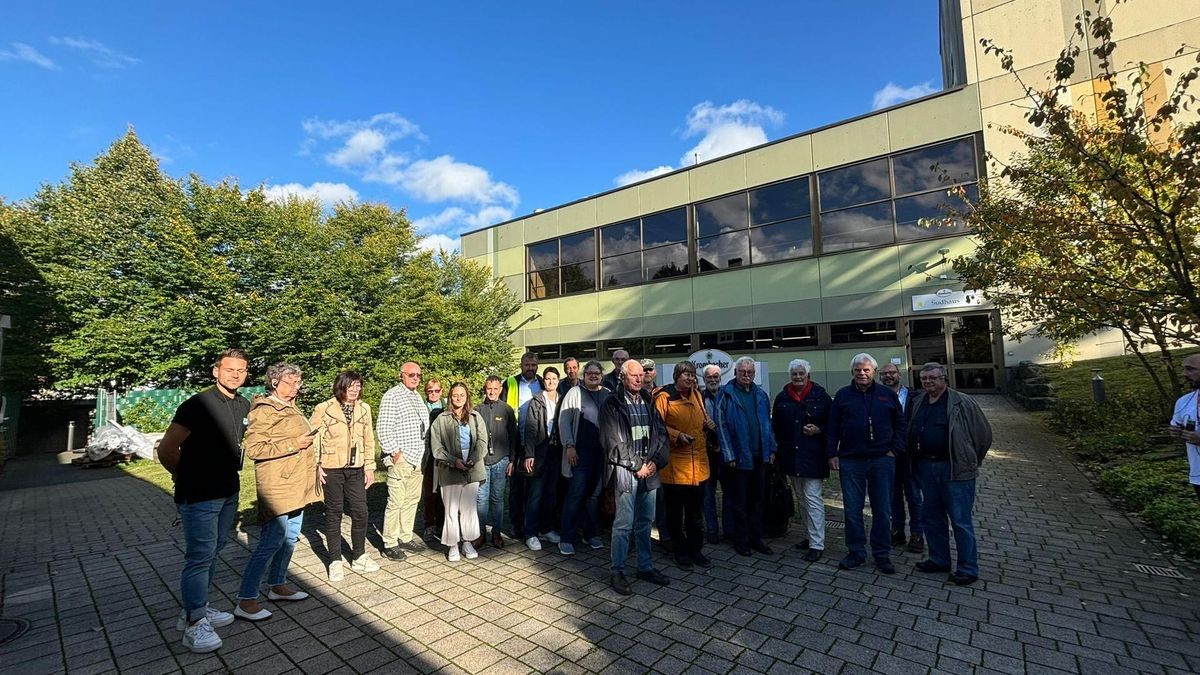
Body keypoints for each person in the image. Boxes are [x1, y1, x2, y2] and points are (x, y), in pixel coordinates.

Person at [157, 349, 250, 653]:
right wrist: (183, 477)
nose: (236, 375)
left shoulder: (242, 404)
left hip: (228, 490)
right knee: (199, 556)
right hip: (199, 495)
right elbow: (167, 449)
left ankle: (196, 608)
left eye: (242, 370)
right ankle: (195, 624)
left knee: (214, 551)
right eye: (230, 369)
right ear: (216, 371)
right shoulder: (197, 405)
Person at [235, 363, 318, 622]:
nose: (296, 387)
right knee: (271, 541)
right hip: (278, 486)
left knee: (290, 537)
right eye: (291, 382)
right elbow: (256, 449)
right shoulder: (264, 410)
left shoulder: (290, 406)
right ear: (274, 382)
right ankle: (246, 599)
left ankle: (277, 584)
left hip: (296, 482)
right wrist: (295, 443)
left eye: (298, 382)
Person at [908, 362, 993, 585]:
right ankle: (939, 559)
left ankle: (967, 568)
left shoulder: (962, 402)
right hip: (926, 467)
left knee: (960, 520)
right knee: (932, 517)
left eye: (933, 378)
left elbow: (983, 435)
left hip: (954, 469)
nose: (928, 382)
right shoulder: (919, 401)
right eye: (924, 379)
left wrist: (970, 459)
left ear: (944, 379)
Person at [826, 353, 906, 575]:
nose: (862, 373)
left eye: (866, 370)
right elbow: (832, 428)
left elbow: (901, 425)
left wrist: (895, 450)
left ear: (874, 372)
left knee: (882, 509)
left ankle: (882, 554)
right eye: (857, 370)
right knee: (852, 509)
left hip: (882, 460)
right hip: (851, 460)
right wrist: (832, 454)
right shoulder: (842, 396)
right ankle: (856, 552)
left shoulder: (886, 395)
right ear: (852, 372)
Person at [603, 360, 671, 595]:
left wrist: (655, 462)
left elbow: (661, 434)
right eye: (634, 376)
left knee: (645, 523)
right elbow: (613, 442)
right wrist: (637, 465)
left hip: (649, 472)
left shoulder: (649, 400)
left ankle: (645, 566)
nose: (639, 379)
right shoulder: (611, 403)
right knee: (623, 525)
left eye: (642, 375)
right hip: (626, 472)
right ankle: (617, 570)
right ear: (622, 376)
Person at [309, 371, 378, 583]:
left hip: (356, 468)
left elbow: (369, 439)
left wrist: (370, 467)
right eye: (351, 386)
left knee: (360, 511)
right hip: (331, 468)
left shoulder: (364, 409)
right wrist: (316, 465)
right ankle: (335, 560)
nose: (355, 390)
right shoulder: (324, 408)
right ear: (341, 386)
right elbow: (313, 438)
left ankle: (359, 555)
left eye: (358, 386)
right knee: (333, 513)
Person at [771, 359, 832, 563]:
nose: (798, 377)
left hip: (813, 456)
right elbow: (776, 428)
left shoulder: (821, 396)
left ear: (808, 375)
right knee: (801, 499)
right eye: (794, 374)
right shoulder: (782, 398)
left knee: (813, 499)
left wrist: (819, 430)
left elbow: (832, 424)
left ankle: (817, 543)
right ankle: (809, 536)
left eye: (801, 374)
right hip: (791, 456)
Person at [716, 357, 777, 557]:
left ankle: (756, 538)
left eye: (750, 372)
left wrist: (772, 449)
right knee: (740, 502)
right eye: (742, 371)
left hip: (760, 456)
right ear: (735, 373)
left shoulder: (761, 394)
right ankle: (741, 540)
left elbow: (768, 425)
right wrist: (729, 454)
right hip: (738, 457)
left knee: (758, 500)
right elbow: (721, 425)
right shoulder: (726, 394)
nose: (746, 375)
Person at [654, 361, 712, 570]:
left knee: (696, 514)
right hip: (676, 467)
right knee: (675, 514)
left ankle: (696, 550)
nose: (689, 378)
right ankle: (680, 551)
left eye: (692, 374)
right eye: (685, 374)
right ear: (676, 376)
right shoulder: (664, 397)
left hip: (699, 465)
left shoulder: (697, 394)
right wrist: (677, 436)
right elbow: (657, 426)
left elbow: (700, 419)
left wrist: (707, 424)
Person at [378, 361, 431, 560]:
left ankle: (405, 536)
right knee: (396, 501)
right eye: (411, 375)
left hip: (418, 458)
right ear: (401, 375)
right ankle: (390, 542)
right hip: (402, 458)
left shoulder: (416, 396)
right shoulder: (392, 396)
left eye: (418, 375)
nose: (416, 378)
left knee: (411, 500)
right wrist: (394, 453)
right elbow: (383, 428)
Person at [430, 382, 489, 562]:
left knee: (469, 509)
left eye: (462, 395)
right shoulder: (441, 419)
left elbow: (482, 441)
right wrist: (453, 461)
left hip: (472, 468)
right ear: (450, 397)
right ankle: (453, 544)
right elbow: (436, 447)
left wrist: (473, 458)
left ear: (467, 396)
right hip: (450, 471)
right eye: (455, 395)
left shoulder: (475, 416)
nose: (458, 398)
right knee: (451, 509)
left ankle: (467, 541)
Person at [557, 360, 610, 555]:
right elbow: (564, 421)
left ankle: (591, 534)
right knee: (576, 495)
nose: (593, 376)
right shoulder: (575, 393)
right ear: (584, 375)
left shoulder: (607, 395)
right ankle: (567, 537)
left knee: (594, 496)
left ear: (601, 376)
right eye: (590, 373)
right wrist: (569, 446)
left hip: (601, 454)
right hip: (579, 454)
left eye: (597, 373)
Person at [517, 367, 561, 550]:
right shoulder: (536, 401)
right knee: (535, 494)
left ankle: (546, 528)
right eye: (547, 379)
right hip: (539, 452)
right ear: (543, 381)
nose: (550, 382)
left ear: (559, 380)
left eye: (554, 378)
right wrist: (529, 454)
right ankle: (531, 533)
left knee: (551, 494)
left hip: (556, 452)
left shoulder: (562, 399)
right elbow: (530, 428)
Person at [881, 363, 922, 553]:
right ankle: (897, 531)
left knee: (914, 495)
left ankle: (917, 534)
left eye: (892, 373)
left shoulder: (916, 396)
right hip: (888, 454)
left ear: (899, 374)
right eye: (884, 374)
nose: (889, 376)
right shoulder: (878, 396)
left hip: (910, 455)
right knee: (893, 495)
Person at [502, 352, 543, 537]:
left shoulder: (543, 383)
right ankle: (515, 524)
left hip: (538, 442)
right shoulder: (510, 383)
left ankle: (534, 524)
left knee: (535, 488)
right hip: (517, 440)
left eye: (534, 365)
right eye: (527, 365)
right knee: (516, 487)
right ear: (521, 365)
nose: (530, 368)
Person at [476, 376, 518, 548]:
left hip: (501, 460)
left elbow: (514, 436)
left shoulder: (507, 410)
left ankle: (496, 533)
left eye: (495, 389)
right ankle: (480, 533)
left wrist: (512, 460)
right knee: (481, 499)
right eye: (489, 389)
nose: (492, 392)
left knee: (497, 499)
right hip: (482, 461)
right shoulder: (477, 409)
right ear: (485, 389)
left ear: (500, 389)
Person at [700, 365, 732, 545]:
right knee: (708, 494)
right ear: (703, 379)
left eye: (715, 376)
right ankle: (712, 530)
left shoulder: (727, 395)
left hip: (726, 453)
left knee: (729, 492)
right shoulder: (699, 397)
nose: (712, 379)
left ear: (720, 377)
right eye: (709, 377)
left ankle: (728, 529)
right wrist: (705, 425)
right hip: (707, 454)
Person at [1168, 353, 1200, 499]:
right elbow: (1179, 434)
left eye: (1190, 369)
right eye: (1184, 369)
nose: (1184, 374)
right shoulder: (1183, 402)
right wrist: (1177, 433)